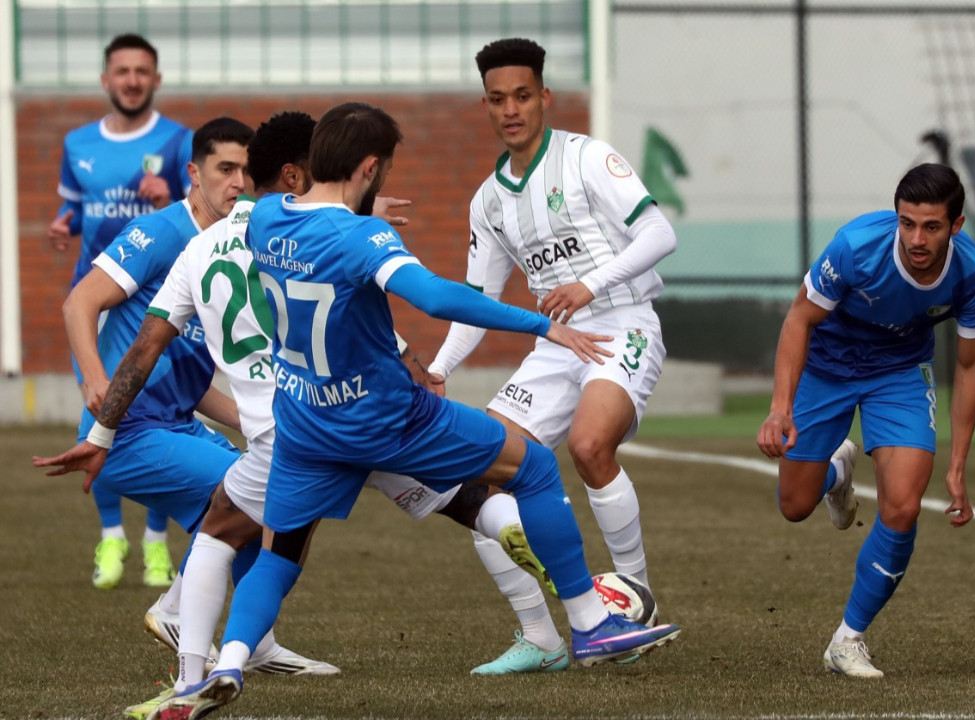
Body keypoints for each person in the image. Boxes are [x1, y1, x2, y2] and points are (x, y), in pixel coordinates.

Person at [147, 102, 681, 720]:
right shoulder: (363, 238)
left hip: (304, 427)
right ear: (370, 166)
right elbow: (433, 296)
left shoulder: (266, 219)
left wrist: (356, 210)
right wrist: (542, 325)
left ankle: (228, 664)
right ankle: (589, 624)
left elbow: (300, 216)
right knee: (531, 466)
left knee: (278, 554)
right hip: (385, 421)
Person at [34, 111, 561, 719]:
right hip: (352, 414)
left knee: (223, 529)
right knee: (466, 494)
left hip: (286, 436)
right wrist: (413, 359)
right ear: (292, 175)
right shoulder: (304, 239)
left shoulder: (201, 249)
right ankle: (555, 590)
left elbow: (146, 347)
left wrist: (101, 432)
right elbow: (345, 325)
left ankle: (194, 676)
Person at [427, 39, 679, 669]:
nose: (510, 109)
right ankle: (541, 640)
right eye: (496, 99)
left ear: (544, 97)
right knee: (477, 473)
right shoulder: (488, 200)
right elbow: (476, 302)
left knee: (592, 445)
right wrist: (436, 369)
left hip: (621, 324)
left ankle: (632, 599)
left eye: (521, 95)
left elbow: (660, 232)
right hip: (557, 341)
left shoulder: (588, 158)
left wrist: (592, 285)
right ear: (485, 105)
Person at [756, 163, 975, 678]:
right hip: (827, 366)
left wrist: (957, 464)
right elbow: (799, 317)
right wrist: (781, 406)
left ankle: (848, 639)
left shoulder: (973, 273)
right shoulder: (856, 246)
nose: (915, 238)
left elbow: (972, 365)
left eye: (931, 226)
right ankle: (836, 470)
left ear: (956, 225)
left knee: (904, 506)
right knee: (795, 505)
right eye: (907, 223)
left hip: (900, 373)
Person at [48, 33, 194, 590]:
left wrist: (163, 199)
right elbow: (77, 202)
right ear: (106, 79)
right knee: (100, 413)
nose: (132, 79)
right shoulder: (78, 141)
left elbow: (194, 212)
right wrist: (66, 222)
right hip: (98, 300)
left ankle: (157, 542)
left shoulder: (179, 142)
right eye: (122, 71)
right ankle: (111, 536)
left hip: (161, 304)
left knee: (163, 418)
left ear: (155, 80)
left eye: (142, 71)